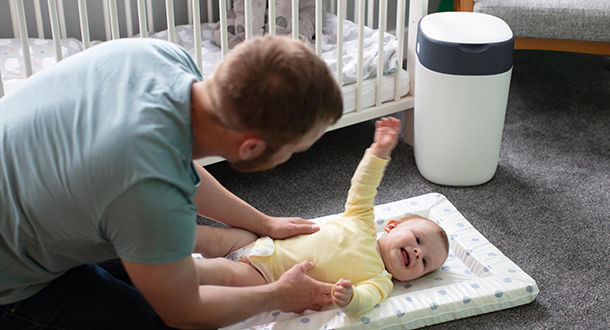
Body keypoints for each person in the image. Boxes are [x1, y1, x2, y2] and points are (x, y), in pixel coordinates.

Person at [0, 35, 343, 329]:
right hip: (11, 282)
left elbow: (173, 164)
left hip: (32, 201)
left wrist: (262, 222)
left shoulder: (160, 57)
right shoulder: (147, 191)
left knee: (151, 267)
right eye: (293, 151)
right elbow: (186, 313)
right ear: (251, 147)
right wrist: (279, 295)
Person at [192, 117, 450, 316]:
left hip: (266, 277)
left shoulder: (380, 281)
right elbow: (363, 187)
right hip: (260, 241)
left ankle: (168, 272)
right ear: (392, 226)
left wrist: (349, 298)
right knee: (207, 237)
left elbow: (365, 302)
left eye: (425, 262)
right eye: (417, 239)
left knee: (222, 273)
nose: (418, 253)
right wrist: (379, 152)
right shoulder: (361, 220)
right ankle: (160, 238)